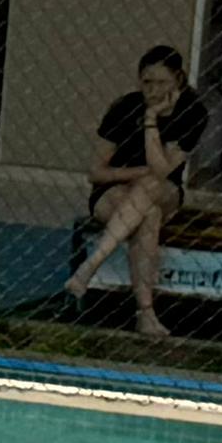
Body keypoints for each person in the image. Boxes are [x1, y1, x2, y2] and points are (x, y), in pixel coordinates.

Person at [69, 44, 204, 339]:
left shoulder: (192, 110)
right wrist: (136, 173)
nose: (153, 90)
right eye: (147, 83)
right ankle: (146, 313)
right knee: (148, 214)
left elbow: (162, 171)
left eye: (162, 83)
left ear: (178, 80)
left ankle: (92, 264)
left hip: (164, 190)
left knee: (151, 188)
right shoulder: (124, 107)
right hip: (114, 190)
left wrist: (151, 121)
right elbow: (96, 172)